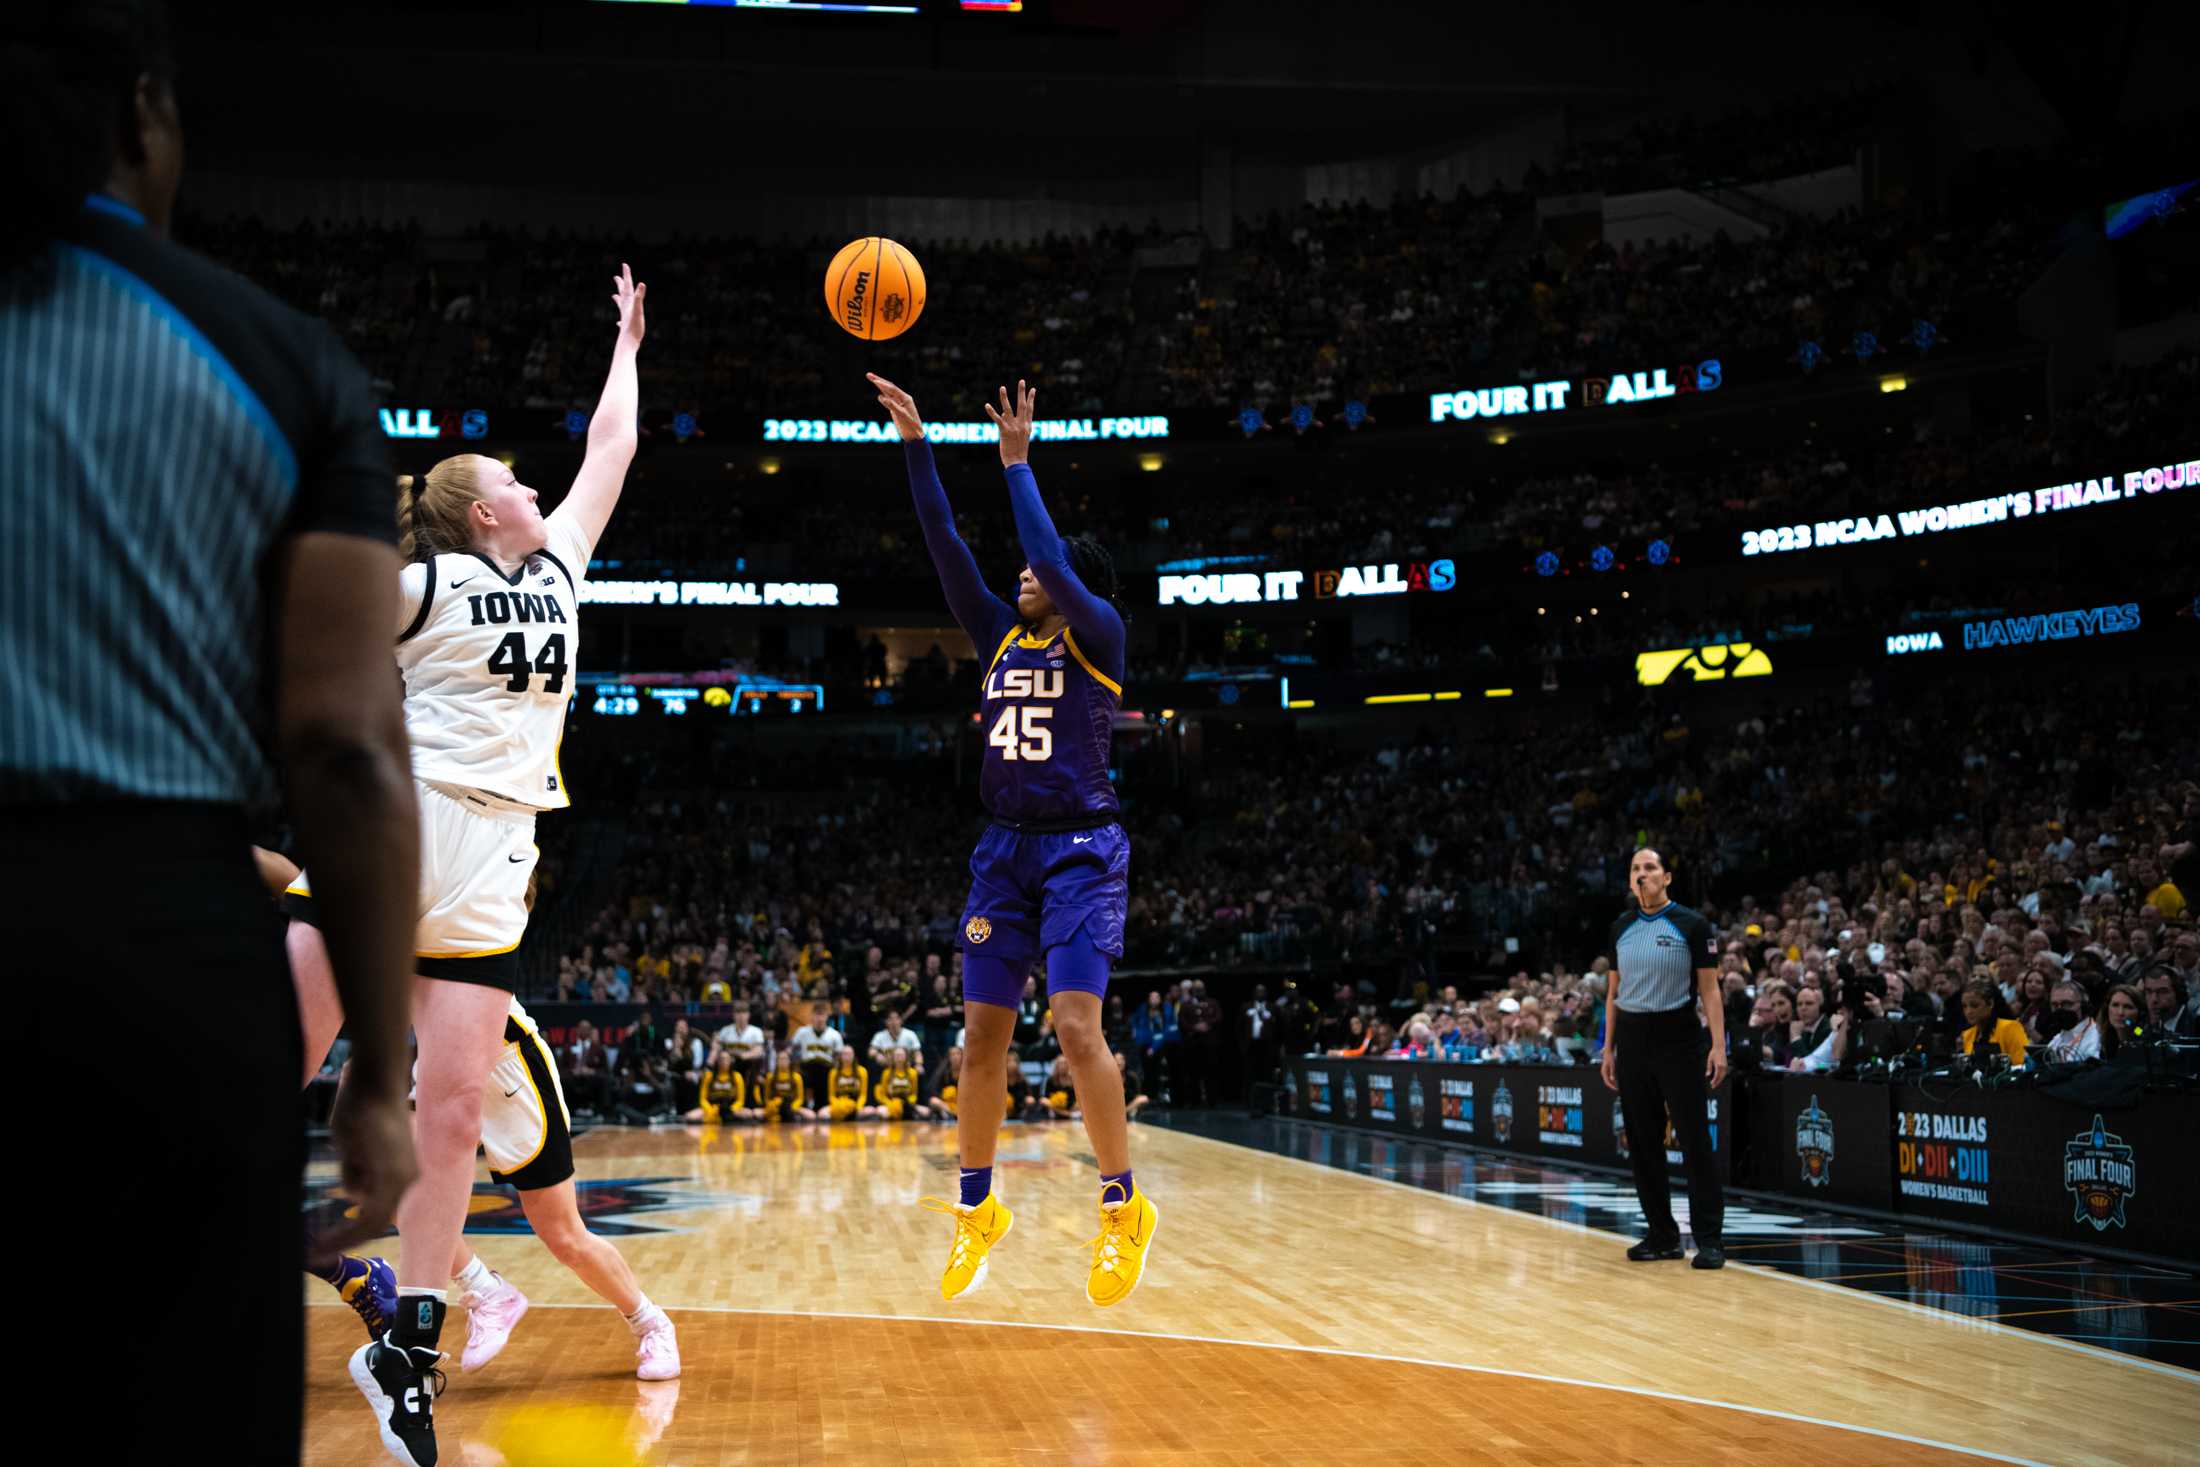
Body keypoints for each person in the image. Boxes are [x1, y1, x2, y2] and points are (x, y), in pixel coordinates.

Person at [3, 8, 419, 1459]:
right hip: (151, 949)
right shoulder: (276, 359)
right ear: (142, 117)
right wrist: (376, 1068)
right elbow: (346, 747)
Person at [275, 247, 646, 1461]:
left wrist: (627, 351)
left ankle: (410, 1348)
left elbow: (609, 454)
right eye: (513, 481)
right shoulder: (420, 579)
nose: (535, 487)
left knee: (445, 1124)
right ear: (484, 507)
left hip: (499, 850)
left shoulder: (560, 568)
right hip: (397, 826)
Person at [878, 373, 1158, 1306]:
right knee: (979, 1042)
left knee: (1078, 1027)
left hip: (1083, 849)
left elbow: (1041, 545)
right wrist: (918, 444)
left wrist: (1016, 459)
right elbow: (947, 542)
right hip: (1003, 851)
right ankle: (976, 1208)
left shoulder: (1100, 634)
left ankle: (1122, 1208)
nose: (1027, 570)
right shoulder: (997, 632)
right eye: (1031, 570)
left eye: (1047, 569)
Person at [1600, 849, 1727, 1269]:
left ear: (1667, 876)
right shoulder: (1620, 926)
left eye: (1650, 868)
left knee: (1693, 1139)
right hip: (1633, 1041)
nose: (1643, 874)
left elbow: (1709, 990)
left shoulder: (1692, 924)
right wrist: (1608, 1047)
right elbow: (1613, 993)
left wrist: (1718, 1045)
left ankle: (1709, 1239)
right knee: (1642, 1142)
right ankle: (1662, 1235)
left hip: (1679, 1037)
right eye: (1636, 869)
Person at [790, 1001, 845, 1115]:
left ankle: (823, 1108)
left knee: (827, 1080)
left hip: (826, 1069)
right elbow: (793, 1050)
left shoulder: (834, 1035)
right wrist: (796, 1067)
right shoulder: (802, 1032)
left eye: (822, 1015)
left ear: (827, 1016)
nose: (819, 1018)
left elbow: (838, 1057)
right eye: (817, 1014)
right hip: (807, 1068)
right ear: (812, 1016)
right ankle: (805, 1108)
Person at [1958, 979, 2028, 1066]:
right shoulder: (1967, 1035)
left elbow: (2022, 1064)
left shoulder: (2010, 1027)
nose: (1968, 1011)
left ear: (1990, 1003)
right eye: (1964, 1006)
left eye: (1974, 1005)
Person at [2040, 980, 2102, 1062]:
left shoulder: (2096, 1036)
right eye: (2055, 1005)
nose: (2060, 1009)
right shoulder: (2058, 1038)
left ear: (2084, 1006)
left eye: (2066, 1004)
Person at [687, 1049, 749, 1123]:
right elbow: (702, 1099)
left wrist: (732, 1109)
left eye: (726, 1059)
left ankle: (716, 1120)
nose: (724, 1061)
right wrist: (710, 1110)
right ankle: (718, 1120)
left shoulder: (737, 1076)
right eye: (721, 1059)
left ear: (731, 1061)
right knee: (690, 1116)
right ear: (717, 1061)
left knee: (748, 1114)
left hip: (730, 1108)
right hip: (712, 1107)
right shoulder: (709, 1076)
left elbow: (740, 1100)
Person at [760, 1048, 813, 1121]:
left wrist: (793, 1107)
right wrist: (771, 1104)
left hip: (791, 1105)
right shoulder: (770, 1077)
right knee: (759, 1114)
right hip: (775, 1105)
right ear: (776, 1061)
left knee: (810, 1116)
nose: (782, 1061)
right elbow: (766, 1097)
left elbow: (800, 1098)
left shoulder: (796, 1077)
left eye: (785, 1059)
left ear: (789, 1061)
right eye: (780, 1059)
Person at [875, 1046, 923, 1120]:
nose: (899, 1057)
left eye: (901, 1055)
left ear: (906, 1057)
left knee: (926, 1113)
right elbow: (883, 1095)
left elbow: (914, 1094)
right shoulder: (886, 1073)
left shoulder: (913, 1073)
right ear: (893, 1057)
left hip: (907, 1105)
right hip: (891, 1103)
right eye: (897, 1055)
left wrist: (906, 1103)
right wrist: (890, 1104)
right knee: (881, 1112)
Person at [825, 1048, 871, 1121]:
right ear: (840, 1057)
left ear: (854, 1056)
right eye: (845, 1054)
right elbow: (831, 1096)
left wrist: (858, 1107)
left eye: (850, 1054)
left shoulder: (862, 1071)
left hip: (856, 1103)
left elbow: (863, 1095)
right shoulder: (833, 1072)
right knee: (823, 1114)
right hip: (839, 1103)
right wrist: (838, 1106)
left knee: (871, 1111)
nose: (847, 1057)